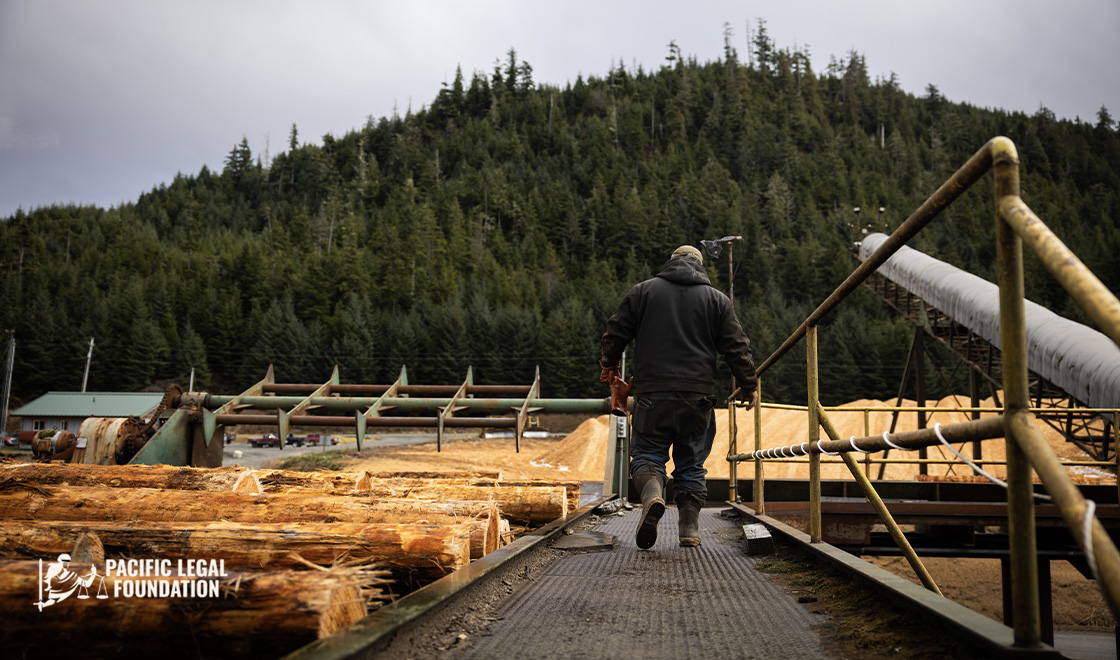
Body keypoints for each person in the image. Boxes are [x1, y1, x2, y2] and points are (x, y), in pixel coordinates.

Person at [599, 244, 758, 549]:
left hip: (651, 394)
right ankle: (689, 530)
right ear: (700, 266)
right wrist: (749, 385)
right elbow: (737, 349)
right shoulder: (717, 300)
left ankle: (653, 496)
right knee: (691, 463)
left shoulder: (642, 292)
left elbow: (615, 332)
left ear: (670, 263)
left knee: (647, 454)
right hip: (697, 397)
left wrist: (608, 366)